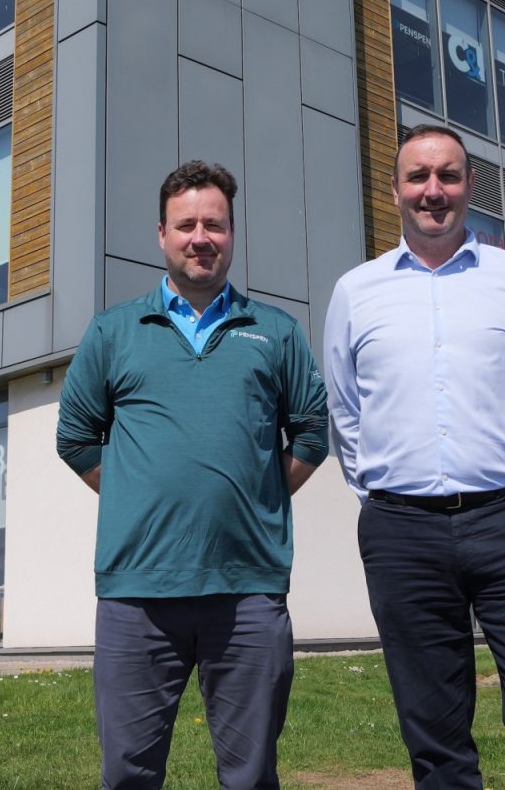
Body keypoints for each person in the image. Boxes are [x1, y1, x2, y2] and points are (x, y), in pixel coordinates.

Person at [323, 124, 505, 788]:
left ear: (469, 186)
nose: (433, 190)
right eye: (418, 176)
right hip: (401, 532)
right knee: (434, 736)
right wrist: (390, 491)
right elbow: (346, 414)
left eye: (447, 175)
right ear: (395, 190)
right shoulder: (355, 292)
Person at [55, 160, 330, 789]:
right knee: (128, 773)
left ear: (232, 233)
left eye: (215, 224)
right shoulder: (114, 331)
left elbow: (312, 433)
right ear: (161, 234)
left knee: (251, 775)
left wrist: (257, 495)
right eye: (186, 225)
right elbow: (75, 438)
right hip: (136, 594)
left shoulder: (277, 333)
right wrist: (133, 494)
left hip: (249, 590)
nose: (200, 238)